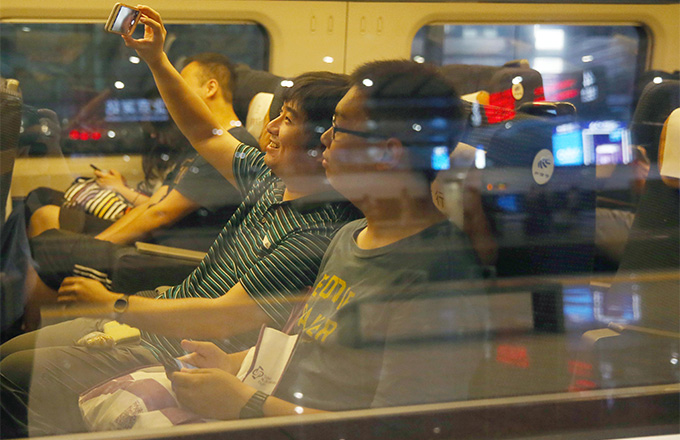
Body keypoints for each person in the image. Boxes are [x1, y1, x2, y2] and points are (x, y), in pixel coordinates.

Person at [0, 15, 360, 434]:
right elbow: (205, 134)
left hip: (180, 351)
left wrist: (113, 303)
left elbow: (220, 321)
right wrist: (156, 59)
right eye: (277, 114)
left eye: (290, 120)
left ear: (322, 142)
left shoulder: (316, 233)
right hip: (155, 317)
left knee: (11, 374)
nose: (272, 127)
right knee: (8, 352)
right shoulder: (269, 177)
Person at [167, 58, 487, 420]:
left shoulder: (436, 282)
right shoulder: (350, 236)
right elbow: (309, 349)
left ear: (387, 153)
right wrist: (233, 362)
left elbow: (397, 429)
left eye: (339, 127)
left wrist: (245, 404)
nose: (323, 139)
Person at [15, 53, 259, 330]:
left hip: (175, 259)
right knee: (49, 228)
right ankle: (35, 331)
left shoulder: (234, 147)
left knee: (47, 249)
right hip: (155, 246)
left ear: (210, 88)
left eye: (182, 83)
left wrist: (93, 246)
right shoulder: (202, 146)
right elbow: (153, 205)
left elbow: (161, 214)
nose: (172, 92)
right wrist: (92, 244)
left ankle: (33, 338)